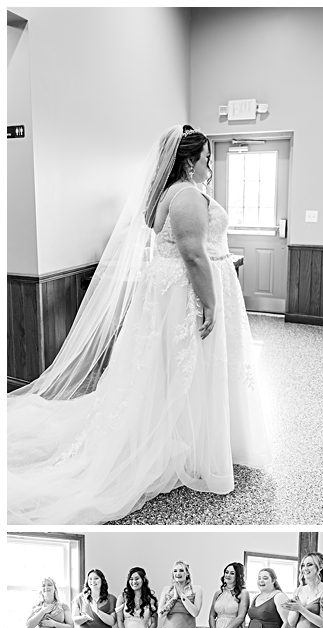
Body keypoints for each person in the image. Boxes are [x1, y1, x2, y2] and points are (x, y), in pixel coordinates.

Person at [8, 124, 270, 524]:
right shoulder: (185, 196)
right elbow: (194, 255)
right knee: (187, 364)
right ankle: (184, 447)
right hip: (187, 293)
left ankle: (195, 438)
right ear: (188, 161)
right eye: (206, 159)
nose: (209, 167)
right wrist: (211, 303)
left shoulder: (170, 194)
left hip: (172, 291)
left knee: (178, 367)